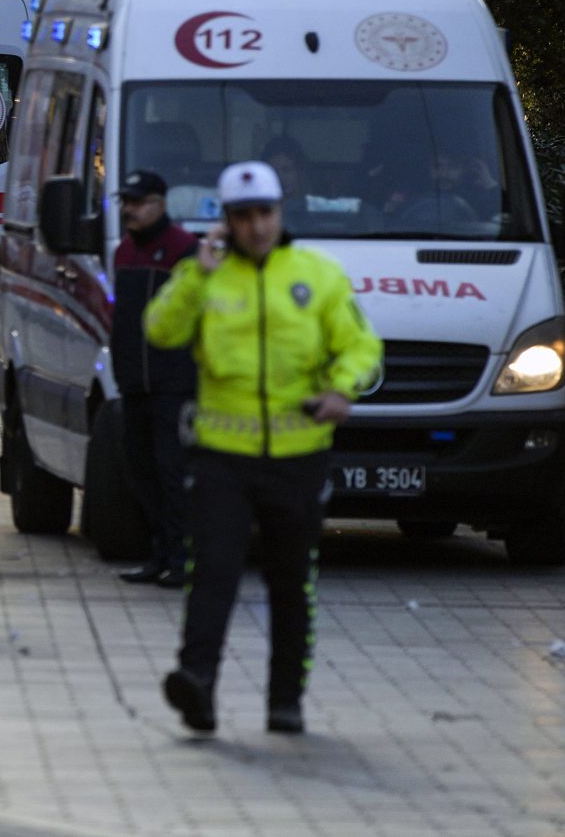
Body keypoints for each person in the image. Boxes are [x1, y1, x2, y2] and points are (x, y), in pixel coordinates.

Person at [146, 160, 382, 737]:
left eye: (265, 214)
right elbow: (160, 330)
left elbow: (361, 345)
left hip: (298, 457)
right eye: (244, 217)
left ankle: (285, 700)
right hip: (222, 455)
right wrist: (198, 274)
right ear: (225, 222)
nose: (256, 227)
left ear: (281, 214)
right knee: (214, 572)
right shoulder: (204, 275)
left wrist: (342, 388)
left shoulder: (317, 276)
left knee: (290, 579)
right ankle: (196, 683)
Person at [110, 170, 200, 588]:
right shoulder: (125, 251)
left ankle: (182, 556)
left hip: (174, 383)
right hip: (135, 383)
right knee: (140, 469)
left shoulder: (184, 250)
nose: (129, 209)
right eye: (126, 201)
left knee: (172, 471)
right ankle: (158, 553)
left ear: (160, 205)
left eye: (138, 202)